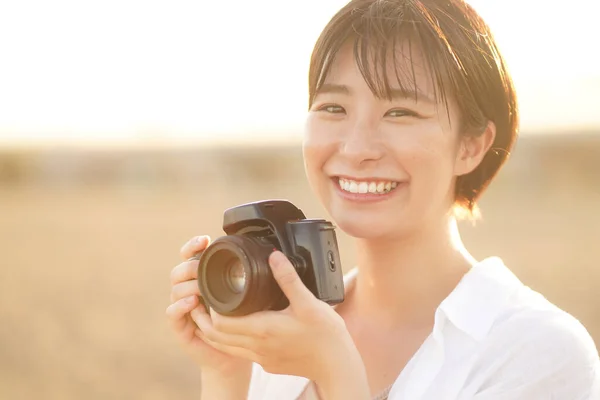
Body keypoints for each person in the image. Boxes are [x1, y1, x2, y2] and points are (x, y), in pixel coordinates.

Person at [166, 0, 600, 398]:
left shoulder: (537, 351)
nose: (356, 148)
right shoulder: (282, 324)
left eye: (400, 113)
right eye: (334, 108)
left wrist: (335, 372)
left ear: (471, 145)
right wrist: (225, 371)